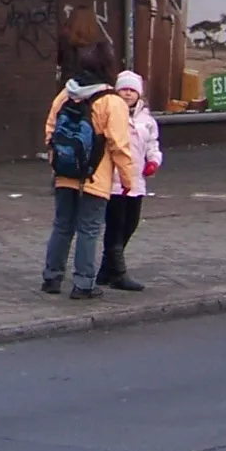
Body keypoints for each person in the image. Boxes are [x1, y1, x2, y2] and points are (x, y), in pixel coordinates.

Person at [41, 38, 138, 299]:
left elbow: (51, 129)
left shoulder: (66, 93)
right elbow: (119, 145)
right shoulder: (112, 101)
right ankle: (83, 284)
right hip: (95, 176)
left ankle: (51, 278)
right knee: (89, 229)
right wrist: (129, 179)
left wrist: (56, 160)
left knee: (62, 225)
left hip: (64, 173)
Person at [99, 69, 162, 291]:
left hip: (136, 181)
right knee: (116, 225)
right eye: (123, 89)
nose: (127, 94)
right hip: (114, 180)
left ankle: (106, 270)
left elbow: (153, 145)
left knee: (131, 224)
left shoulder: (147, 120)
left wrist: (153, 161)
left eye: (131, 90)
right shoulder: (112, 114)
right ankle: (118, 273)